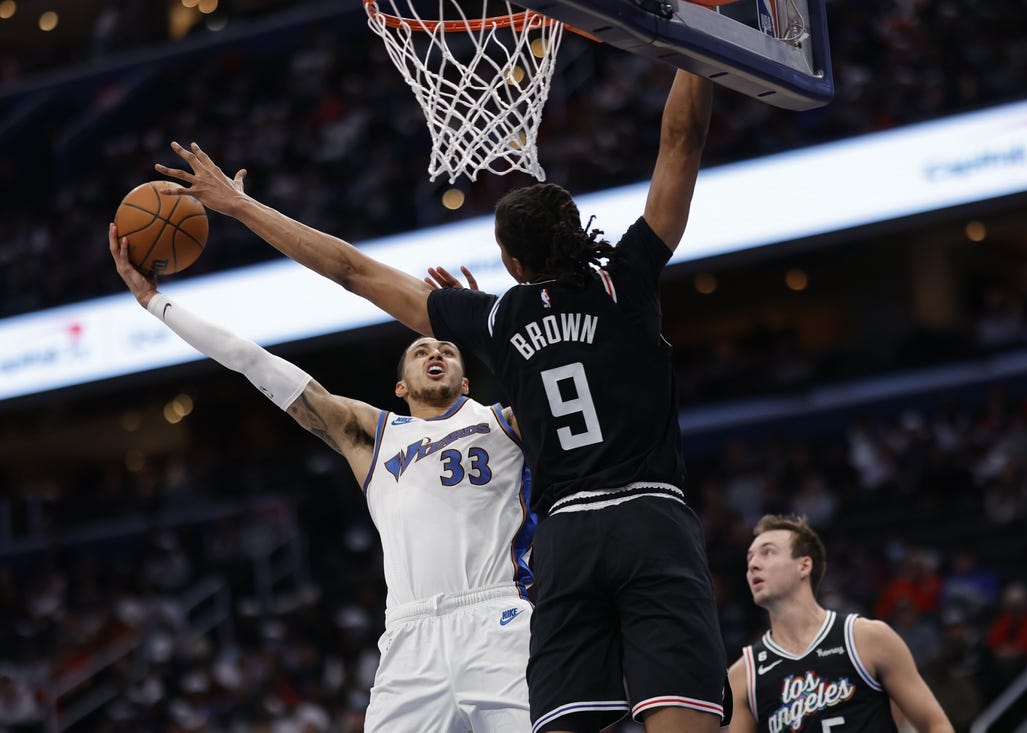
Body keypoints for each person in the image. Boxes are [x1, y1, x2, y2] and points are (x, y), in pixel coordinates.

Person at [154, 67, 725, 733]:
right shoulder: (622, 283)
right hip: (648, 515)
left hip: (566, 542)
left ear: (511, 263)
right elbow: (680, 140)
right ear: (575, 234)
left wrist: (241, 206)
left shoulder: (497, 322)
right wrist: (696, 43)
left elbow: (352, 269)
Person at [108, 225, 536, 732]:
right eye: (421, 352)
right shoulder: (371, 435)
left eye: (447, 350)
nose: (435, 354)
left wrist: (481, 322)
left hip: (498, 618)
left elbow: (554, 369)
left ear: (466, 380)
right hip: (409, 638)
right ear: (401, 386)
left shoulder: (505, 421)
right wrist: (155, 302)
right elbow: (253, 362)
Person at [727, 514, 953, 733]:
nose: (753, 565)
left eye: (767, 552)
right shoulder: (742, 676)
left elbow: (935, 725)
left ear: (804, 566)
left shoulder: (867, 638)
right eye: (750, 558)